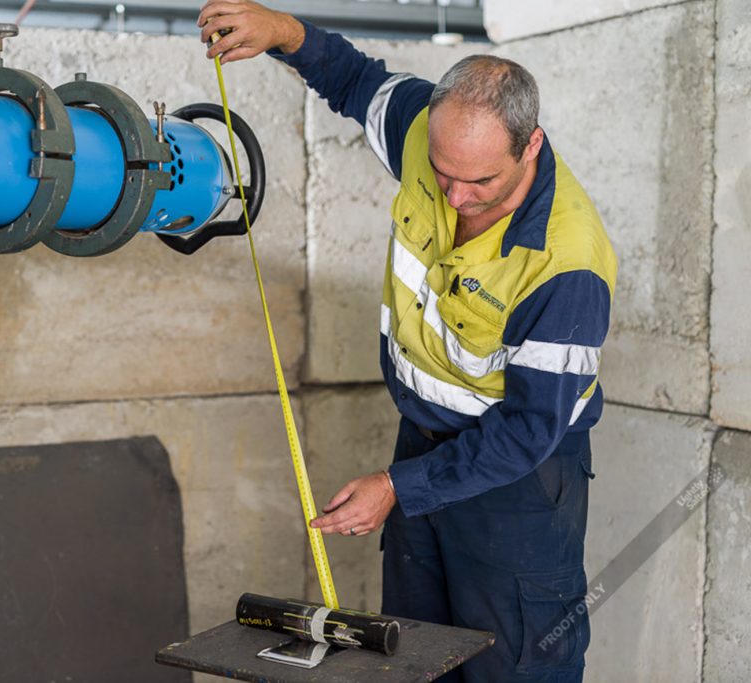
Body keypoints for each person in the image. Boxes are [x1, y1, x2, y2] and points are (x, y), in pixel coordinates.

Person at [197, 2, 618, 681]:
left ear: (529, 146)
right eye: (442, 173)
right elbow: (354, 79)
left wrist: (398, 487)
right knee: (413, 657)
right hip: (421, 444)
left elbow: (530, 427)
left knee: (513, 665)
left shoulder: (566, 264)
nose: (453, 197)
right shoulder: (429, 132)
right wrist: (282, 32)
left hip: (518, 483)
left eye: (480, 182)